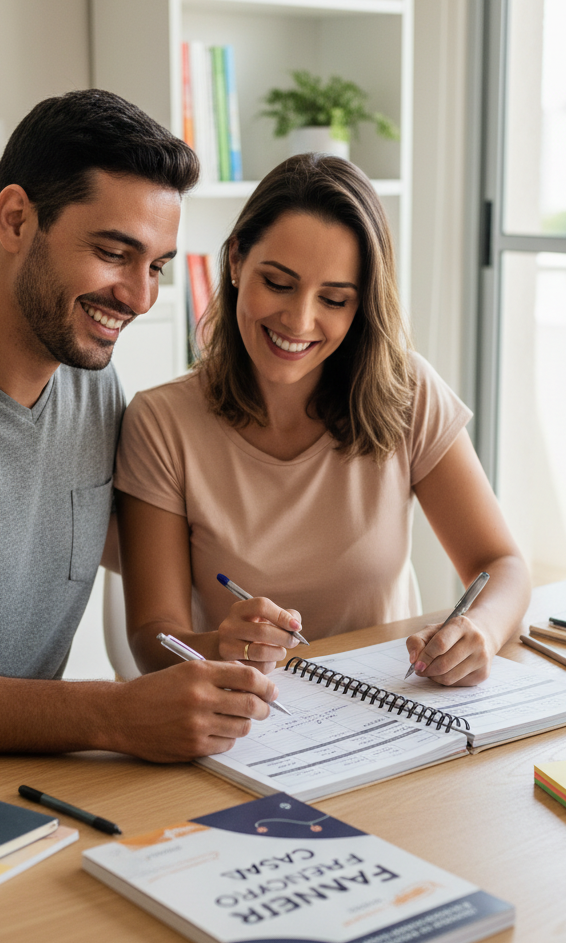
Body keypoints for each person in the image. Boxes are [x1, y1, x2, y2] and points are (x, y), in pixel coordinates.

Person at [0, 90, 281, 762]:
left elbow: (155, 558)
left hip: (35, 788)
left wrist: (218, 648)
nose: (141, 295)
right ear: (15, 220)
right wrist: (111, 714)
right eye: (114, 252)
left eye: (155, 266)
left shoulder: (93, 388)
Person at [116, 154, 531, 688]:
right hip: (248, 722)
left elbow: (501, 562)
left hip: (391, 708)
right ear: (237, 260)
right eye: (279, 283)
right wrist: (219, 645)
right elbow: (152, 637)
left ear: (361, 306)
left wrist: (481, 629)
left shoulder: (407, 393)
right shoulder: (162, 423)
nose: (300, 320)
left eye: (334, 299)